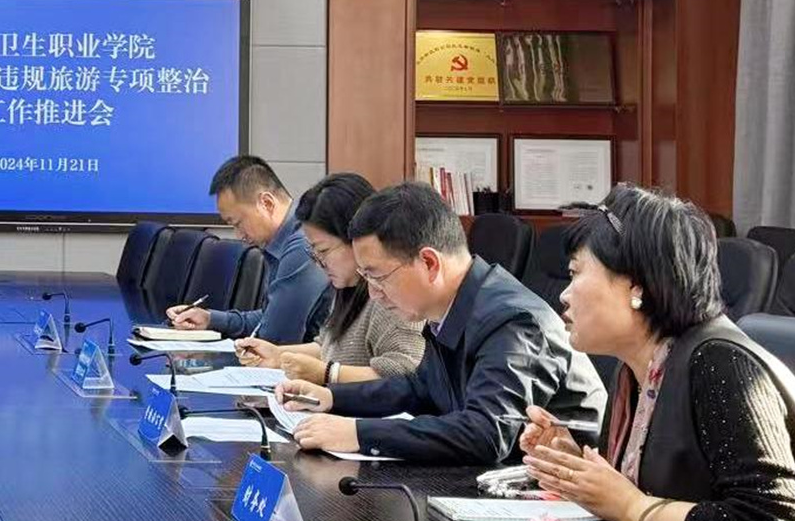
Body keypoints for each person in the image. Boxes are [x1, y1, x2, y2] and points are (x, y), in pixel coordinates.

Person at [519, 186, 795, 521]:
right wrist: (577, 469)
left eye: (576, 273)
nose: (564, 294)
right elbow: (655, 492)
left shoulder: (719, 363)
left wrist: (632, 506)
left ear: (636, 286)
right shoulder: (635, 369)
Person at [276, 181, 604, 462]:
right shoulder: (452, 306)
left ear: (430, 263)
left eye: (378, 277)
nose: (374, 294)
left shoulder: (514, 322)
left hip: (558, 498)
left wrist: (358, 434)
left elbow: (486, 433)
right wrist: (332, 397)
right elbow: (419, 388)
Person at [236, 173, 424, 384]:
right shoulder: (347, 287)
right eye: (313, 252)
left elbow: (406, 376)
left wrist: (328, 374)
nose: (319, 263)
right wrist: (278, 355)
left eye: (323, 250)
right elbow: (328, 347)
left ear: (356, 238)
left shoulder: (389, 296)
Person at [166, 155, 329, 344]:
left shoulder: (302, 244)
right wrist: (210, 319)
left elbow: (274, 337)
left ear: (267, 203)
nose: (238, 235)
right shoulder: (281, 241)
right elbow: (269, 318)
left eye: (238, 223)